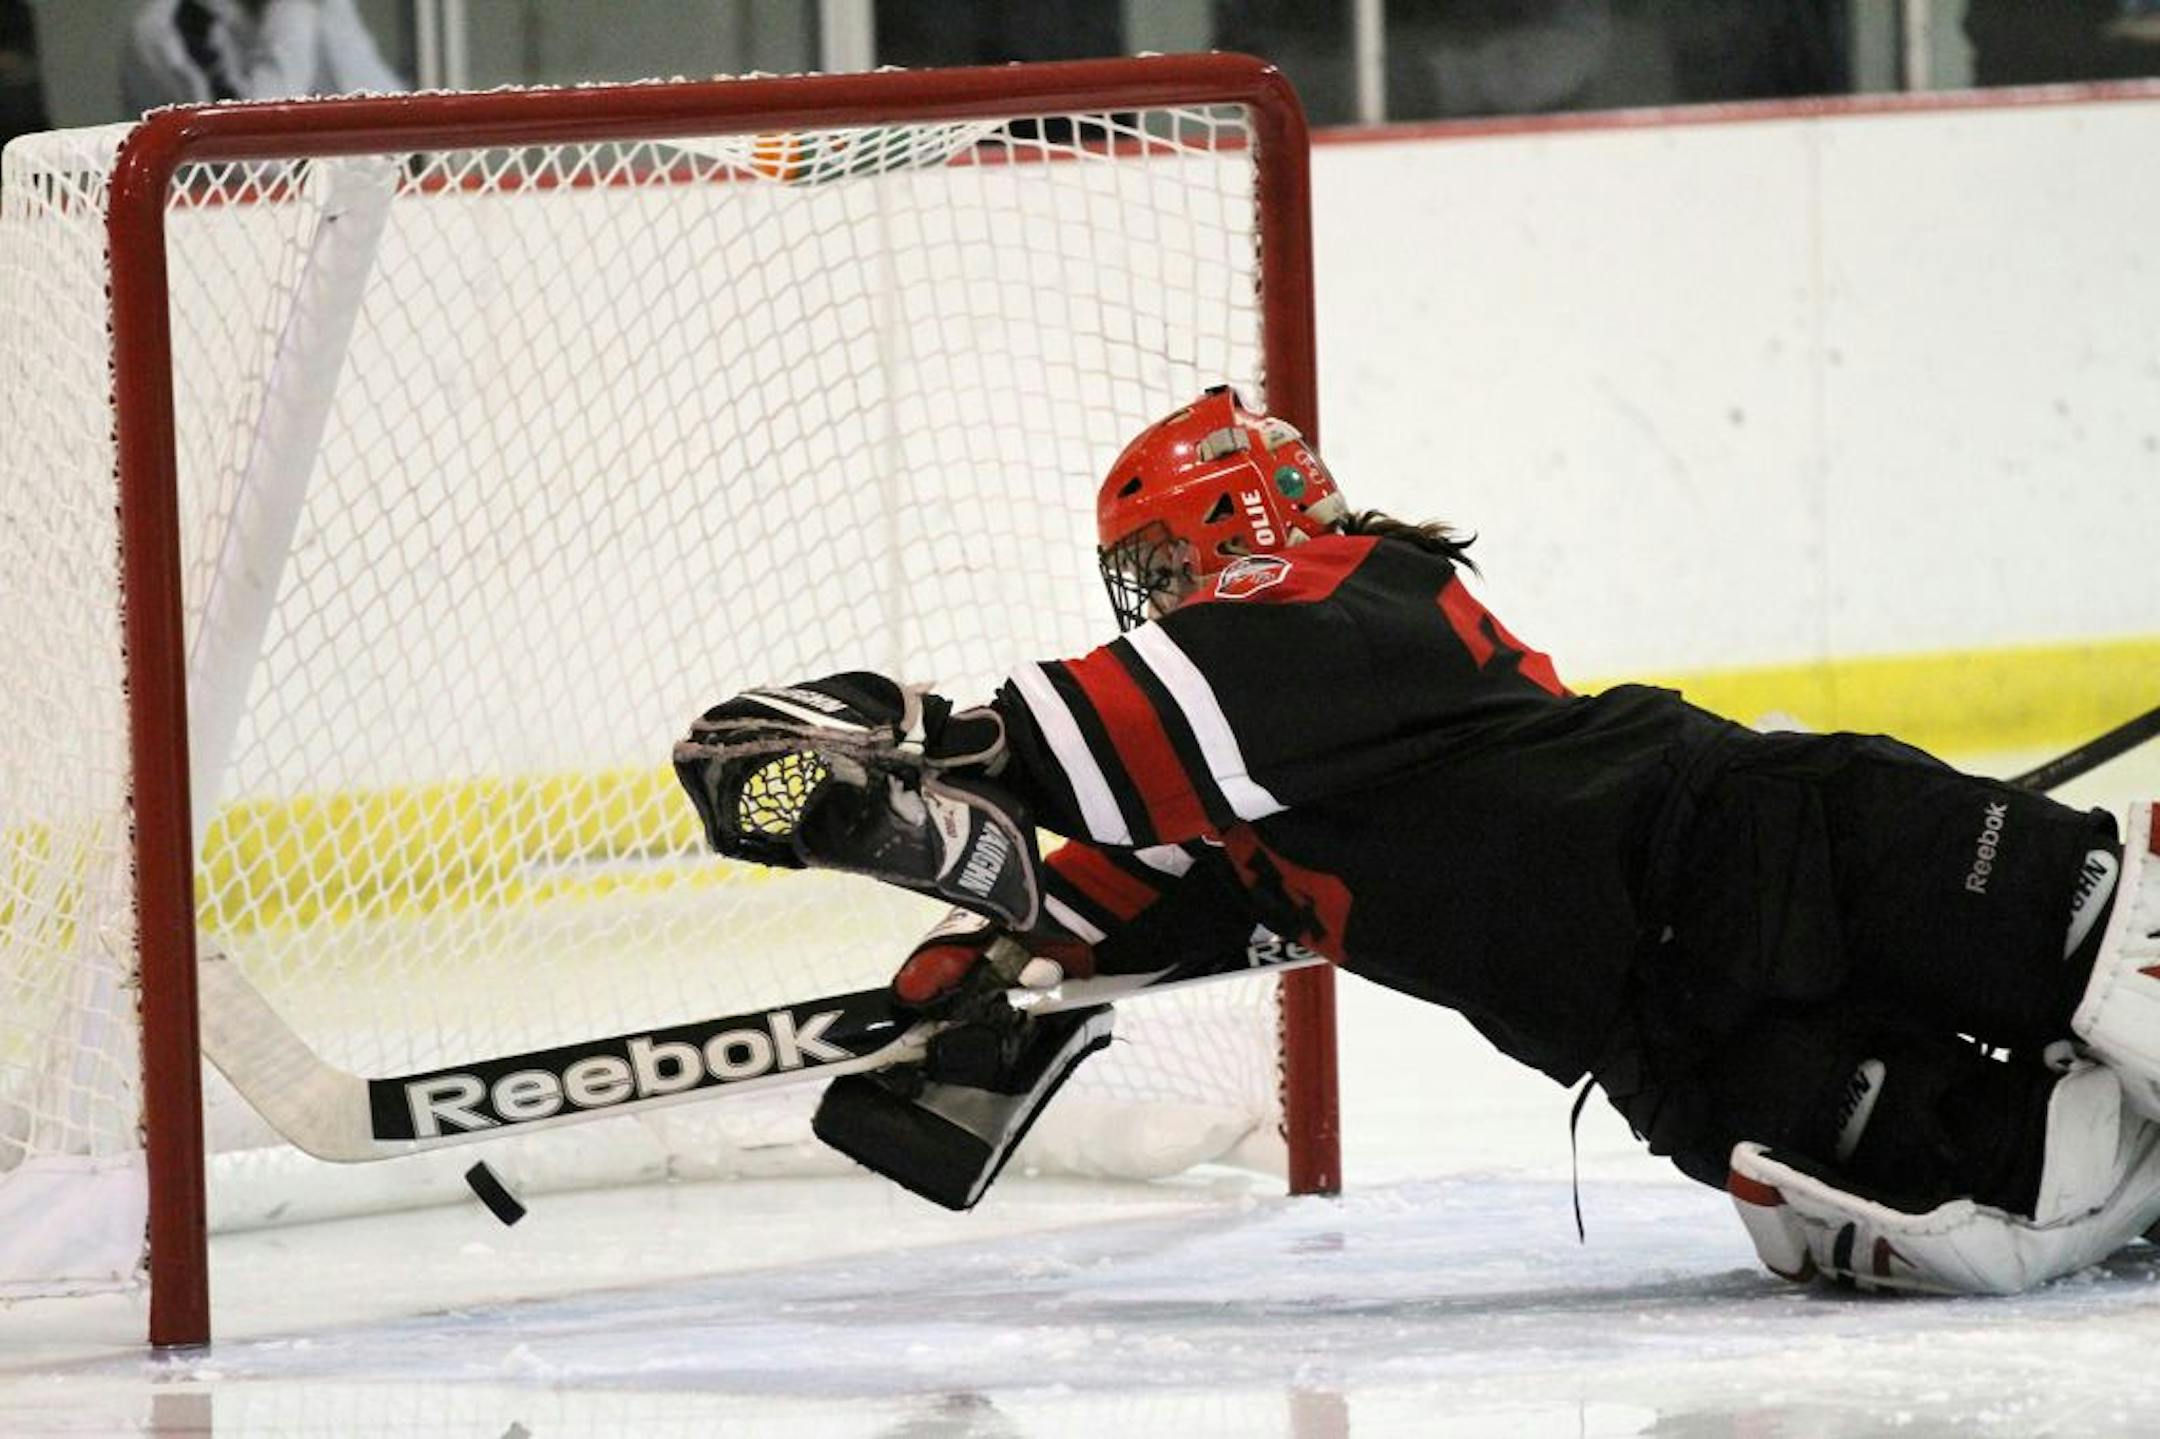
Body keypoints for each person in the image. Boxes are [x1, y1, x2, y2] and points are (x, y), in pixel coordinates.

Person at [673, 385, 2160, 1296]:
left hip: (1760, 843)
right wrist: (956, 969)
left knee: (2122, 943)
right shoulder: (1245, 788)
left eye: (1162, 560)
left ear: (1239, 522)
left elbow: (1060, 751)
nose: (1153, 595)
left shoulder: (1352, 596)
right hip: (1657, 1032)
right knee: (2012, 1208)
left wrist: (887, 750)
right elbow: (1075, 886)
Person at [121, 0, 405, 115]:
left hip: (315, 225)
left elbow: (402, 135)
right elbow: (256, 162)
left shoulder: (315, 8)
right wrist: (291, 11)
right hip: (205, 229)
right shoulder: (173, 25)